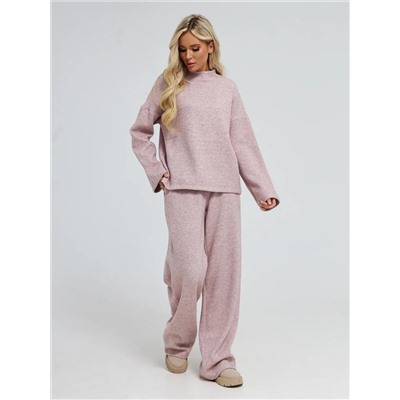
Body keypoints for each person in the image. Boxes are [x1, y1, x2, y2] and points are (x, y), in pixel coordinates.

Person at [129, 14, 280, 388]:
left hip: (225, 189)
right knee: (190, 270)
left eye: (195, 48)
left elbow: (242, 141)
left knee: (223, 276)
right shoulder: (168, 83)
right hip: (182, 189)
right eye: (182, 50)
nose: (188, 56)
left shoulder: (227, 89)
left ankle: (217, 360)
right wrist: (158, 172)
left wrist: (262, 189)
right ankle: (178, 343)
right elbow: (139, 132)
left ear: (211, 46)